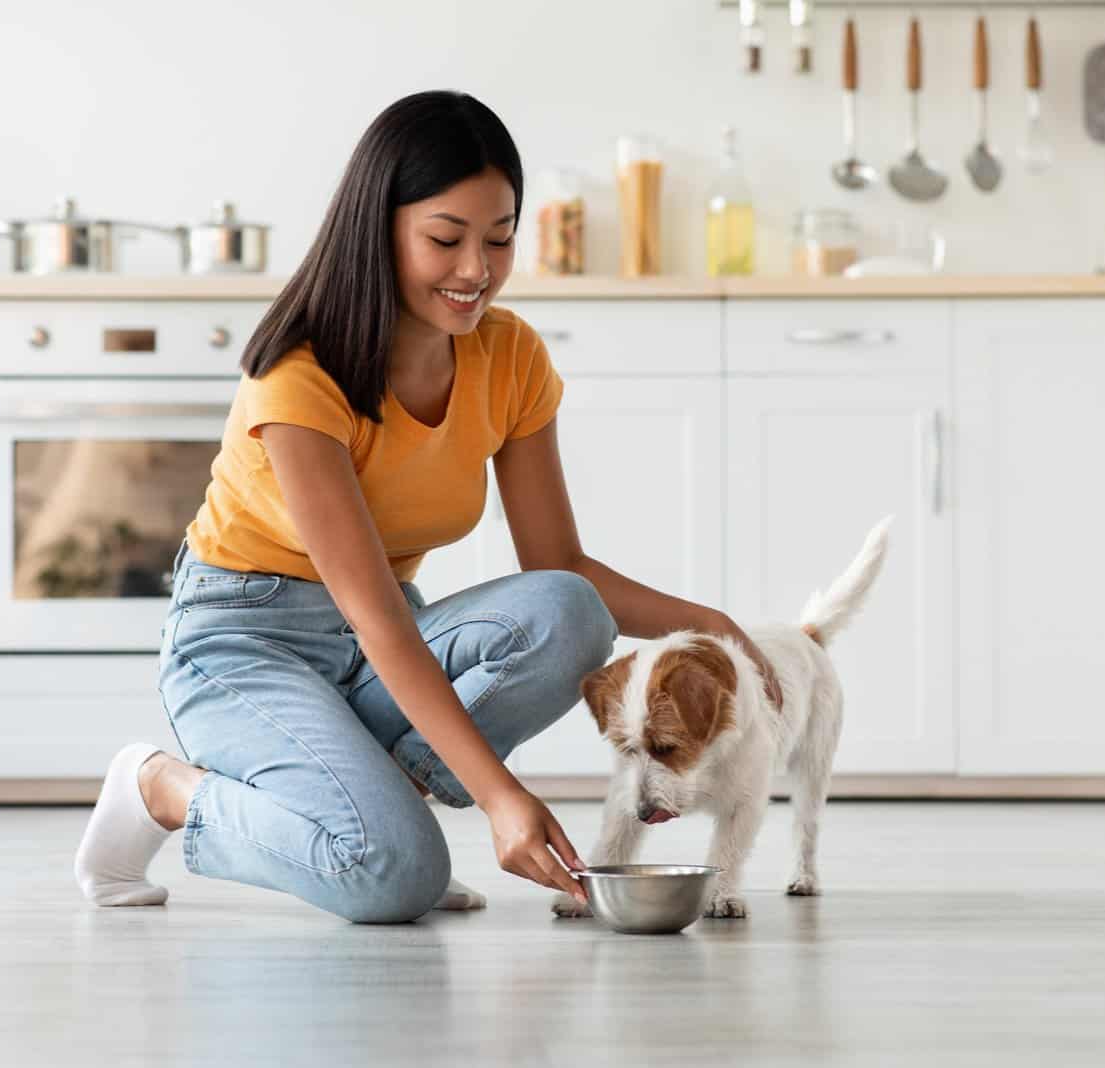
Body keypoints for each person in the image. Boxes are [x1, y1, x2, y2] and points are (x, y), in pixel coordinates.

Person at [73, 89, 769, 924]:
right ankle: (163, 790)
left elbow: (561, 568)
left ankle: (379, 804)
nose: (476, 270)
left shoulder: (508, 356)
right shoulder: (300, 374)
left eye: (500, 238)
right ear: (381, 228)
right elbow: (381, 623)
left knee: (569, 612)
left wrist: (720, 629)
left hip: (374, 644)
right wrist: (502, 797)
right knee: (392, 877)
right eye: (445, 239)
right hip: (244, 641)